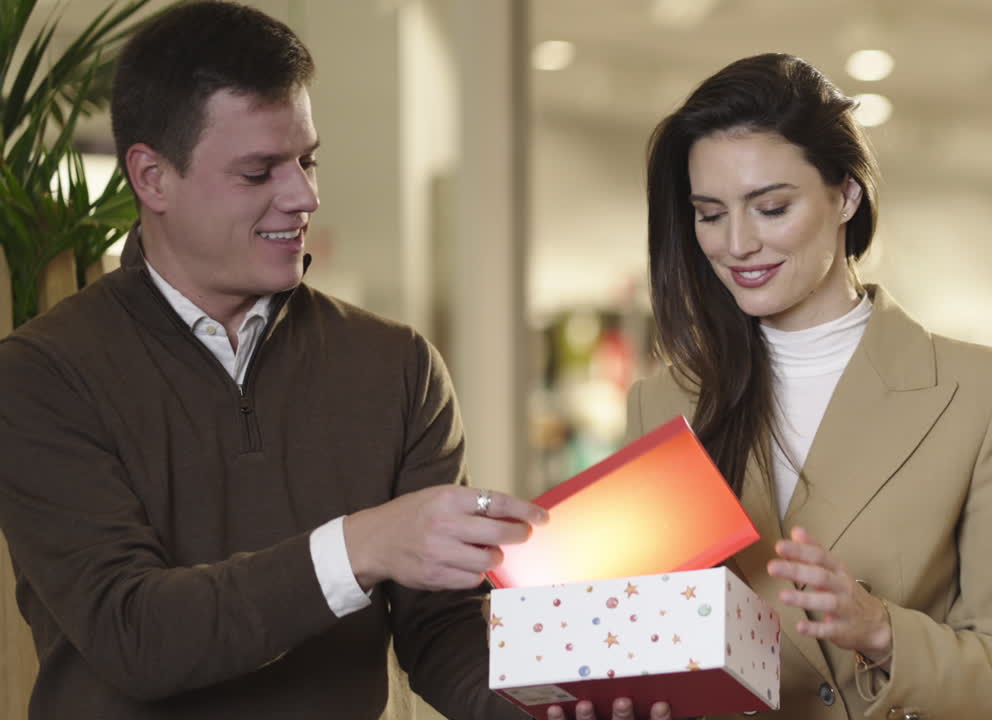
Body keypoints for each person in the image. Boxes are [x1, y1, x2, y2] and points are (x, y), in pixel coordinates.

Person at [0, 4, 647, 719]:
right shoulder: (40, 375)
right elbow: (134, 634)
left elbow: (441, 630)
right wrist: (360, 545)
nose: (305, 196)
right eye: (259, 172)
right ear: (152, 178)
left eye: (307, 159)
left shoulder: (399, 366)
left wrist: (550, 705)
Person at [624, 53, 992, 719]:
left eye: (770, 207)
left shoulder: (987, 394)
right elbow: (652, 641)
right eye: (710, 214)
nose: (736, 244)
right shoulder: (664, 402)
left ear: (847, 194)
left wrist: (880, 630)